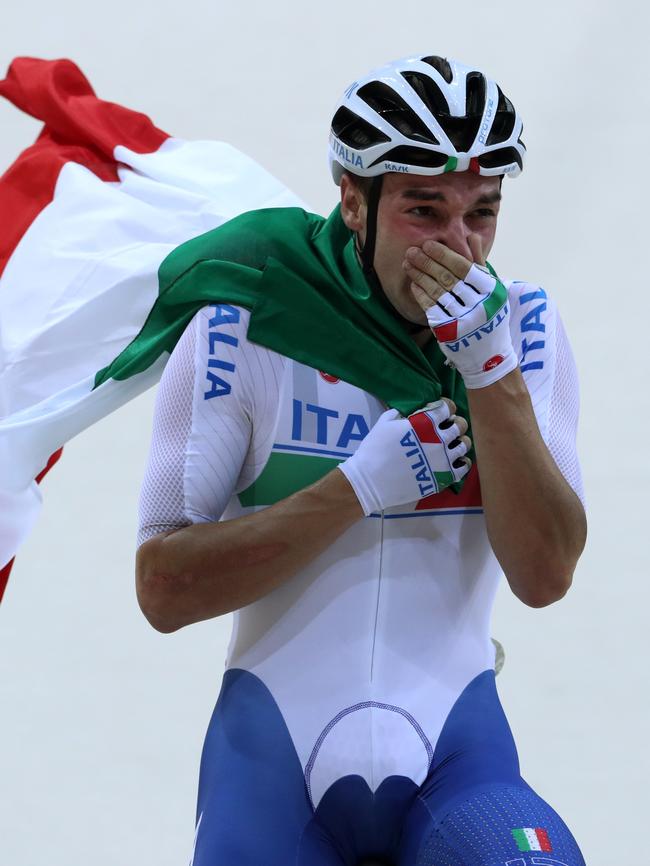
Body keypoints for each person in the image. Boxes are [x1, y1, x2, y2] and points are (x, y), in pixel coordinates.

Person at [135, 54, 587, 866]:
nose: (460, 247)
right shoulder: (247, 327)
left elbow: (546, 575)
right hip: (275, 768)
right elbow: (165, 590)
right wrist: (356, 489)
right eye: (424, 209)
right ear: (354, 201)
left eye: (482, 213)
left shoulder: (523, 329)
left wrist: (492, 377)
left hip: (455, 755)